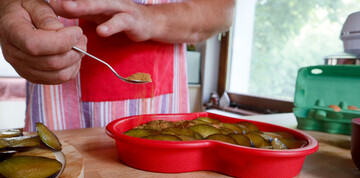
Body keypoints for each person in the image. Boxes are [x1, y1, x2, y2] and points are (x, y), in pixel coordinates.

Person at [0, 0, 235, 131]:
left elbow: (224, 10)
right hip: (56, 113)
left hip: (161, 107)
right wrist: (8, 8)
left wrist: (149, 18)